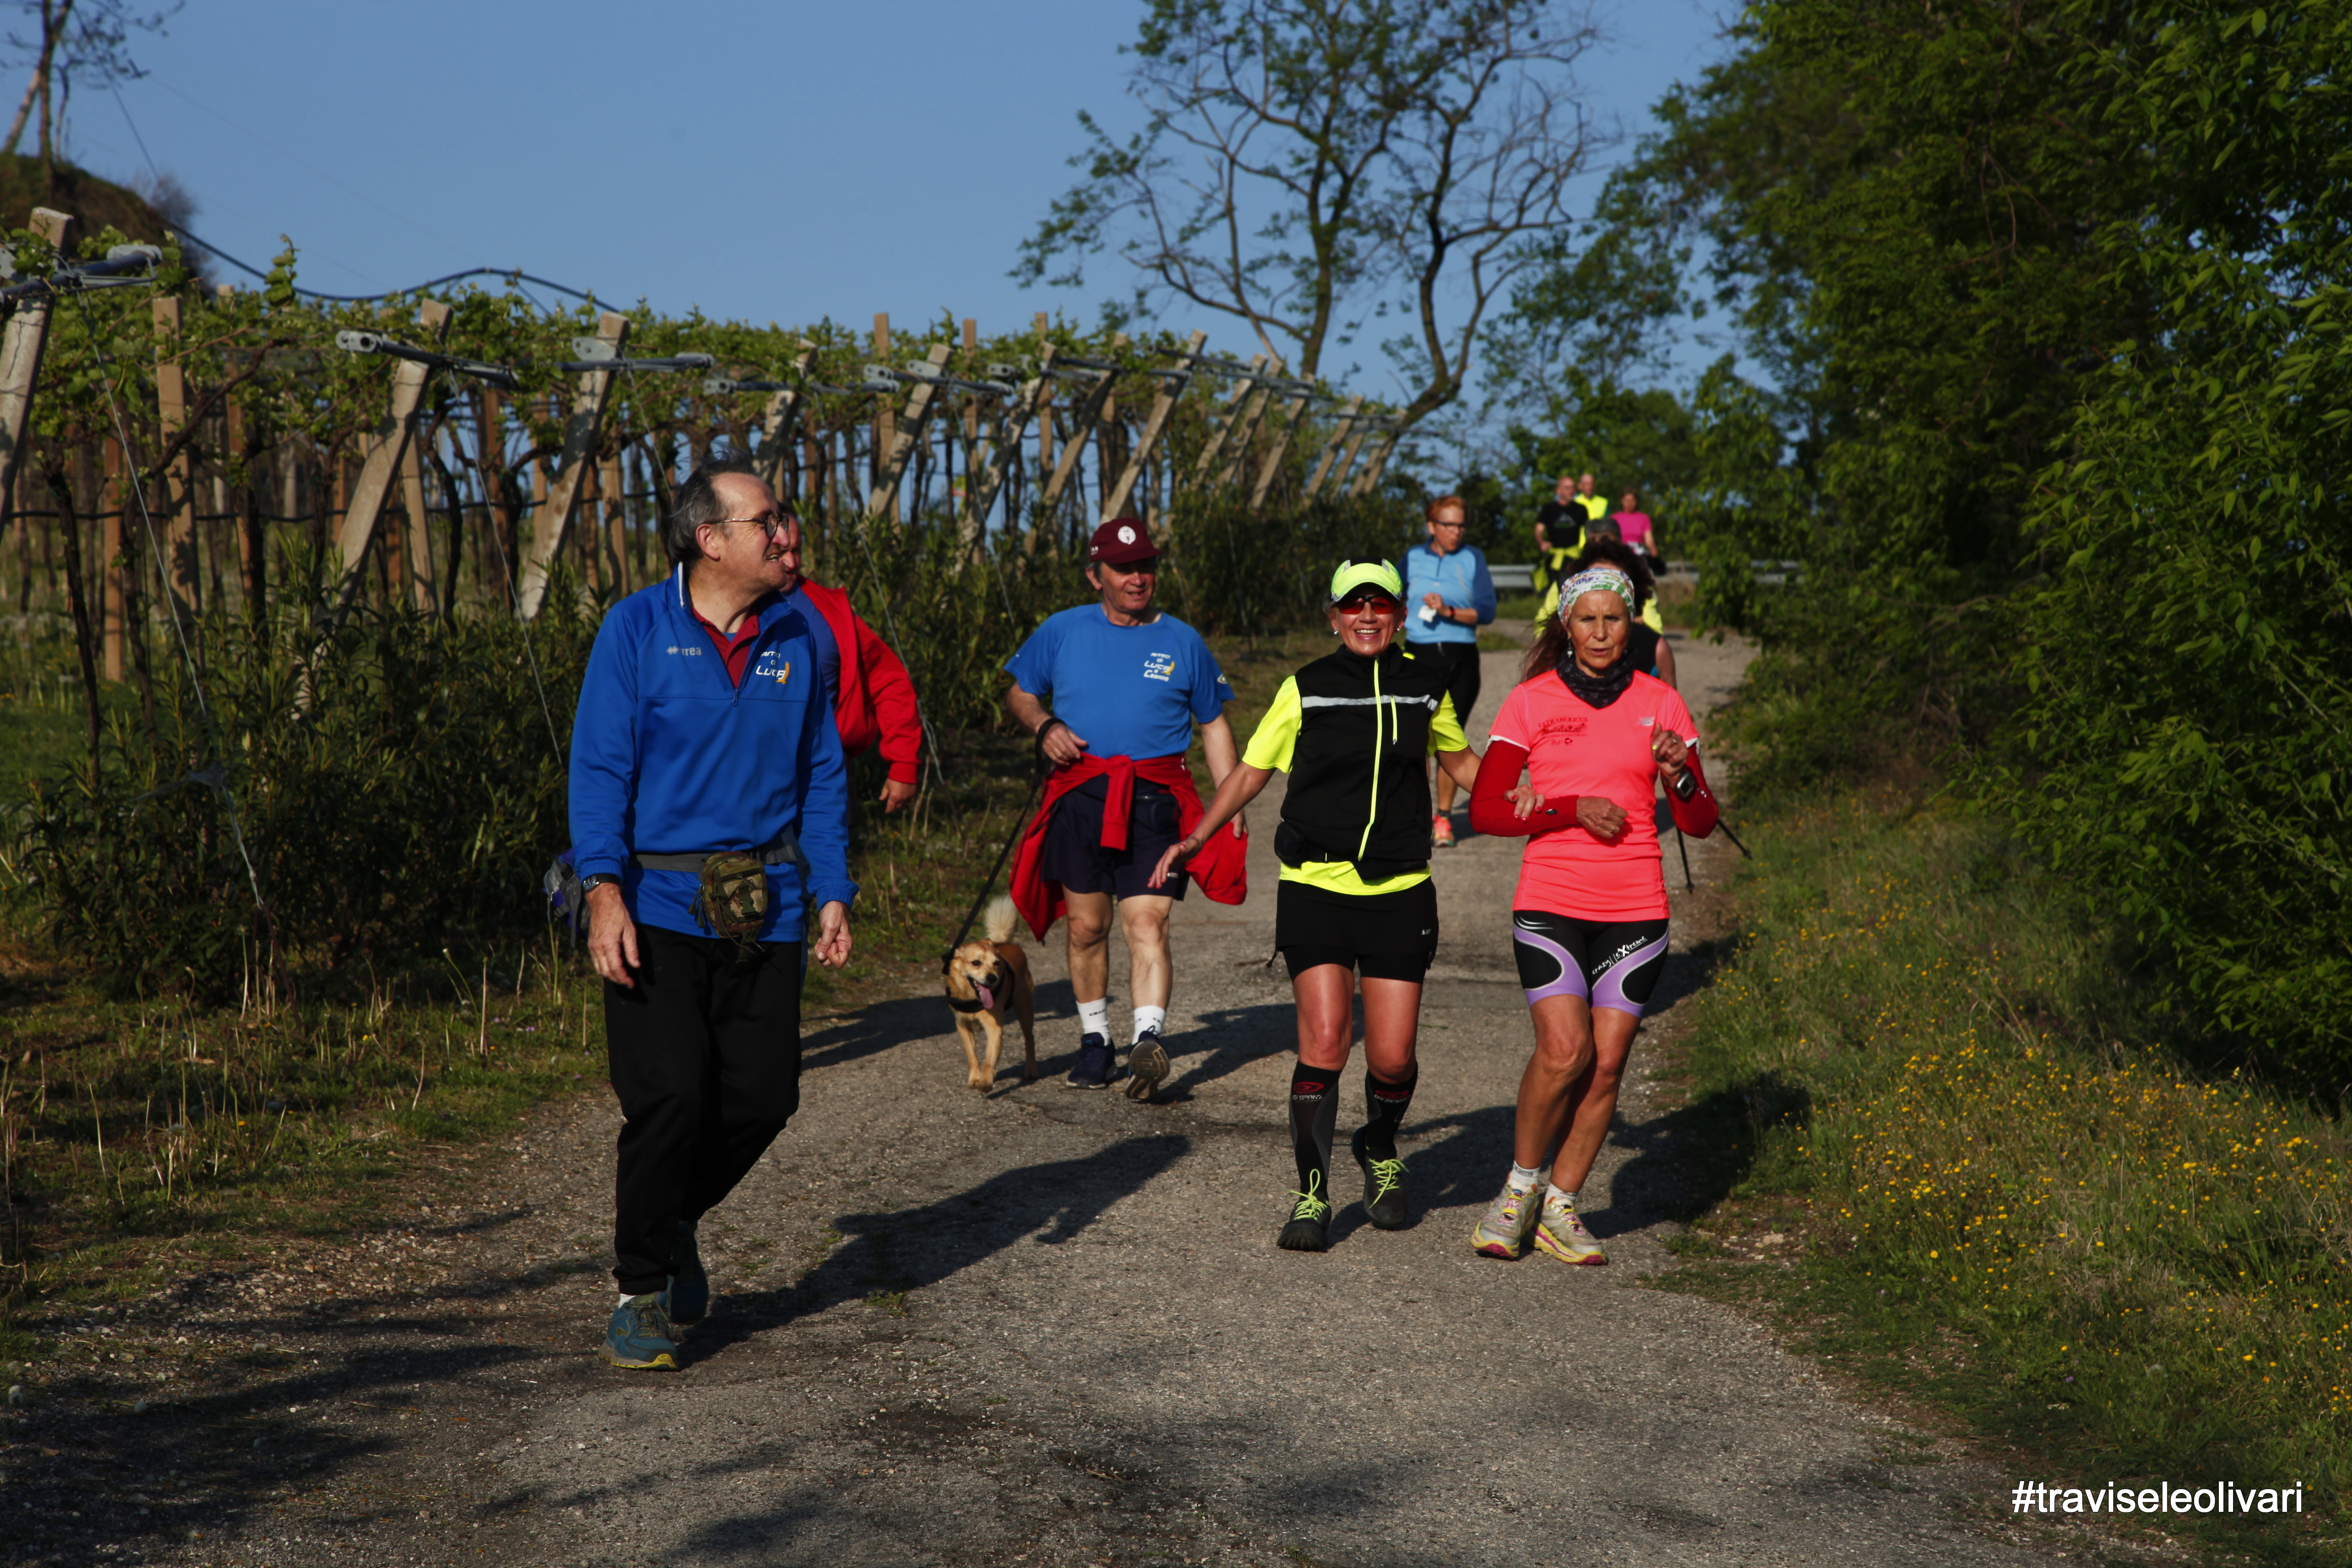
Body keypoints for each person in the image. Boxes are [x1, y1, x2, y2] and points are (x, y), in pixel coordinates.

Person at [570, 457, 858, 1370]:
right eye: (767, 520)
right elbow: (600, 767)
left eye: (782, 518)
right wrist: (603, 890)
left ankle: (674, 1215)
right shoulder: (634, 629)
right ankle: (641, 1289)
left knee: (765, 1096)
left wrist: (832, 888)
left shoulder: (801, 633)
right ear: (711, 540)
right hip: (654, 902)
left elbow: (822, 774)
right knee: (670, 1097)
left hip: (765, 906)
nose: (785, 533)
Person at [1150, 560, 1519, 1251]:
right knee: (1324, 1041)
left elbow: (1463, 764)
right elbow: (1253, 770)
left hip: (1400, 889)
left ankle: (1378, 1144)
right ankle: (1312, 1193)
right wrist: (1197, 835)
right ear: (1334, 617)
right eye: (1354, 605)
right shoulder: (1305, 687)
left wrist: (1539, 797)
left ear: (1399, 615)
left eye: (1380, 604)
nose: (1367, 616)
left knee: (1393, 1059)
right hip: (1316, 885)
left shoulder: (1424, 685)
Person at [1464, 565, 1719, 1268]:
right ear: (1566, 626)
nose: (1601, 633)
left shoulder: (1662, 702)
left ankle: (1561, 1207)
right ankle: (1517, 1191)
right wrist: (1569, 808)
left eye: (1614, 619)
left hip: (1636, 908)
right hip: (1552, 899)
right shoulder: (1532, 700)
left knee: (1606, 1067)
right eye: (1587, 619)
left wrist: (1680, 771)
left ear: (1632, 624)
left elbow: (1700, 822)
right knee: (1564, 1050)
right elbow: (1486, 809)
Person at [1005, 518, 1247, 1101]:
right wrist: (1044, 726)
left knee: (1147, 923)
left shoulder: (1183, 640)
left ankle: (1147, 1043)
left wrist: (1230, 797)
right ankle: (1096, 1042)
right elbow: (1020, 692)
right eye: (1123, 569)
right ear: (1097, 576)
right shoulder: (1062, 630)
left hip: (1154, 803)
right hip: (1080, 797)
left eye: (1146, 567)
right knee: (1087, 927)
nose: (1138, 578)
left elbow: (1213, 723)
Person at [777, 548, 924, 813]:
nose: (791, 562)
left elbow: (887, 680)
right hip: (749, 778)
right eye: (779, 551)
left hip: (826, 774)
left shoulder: (831, 609)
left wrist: (904, 762)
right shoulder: (721, 609)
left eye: (796, 550)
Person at [1399, 494, 1496, 848]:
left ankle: (1442, 818)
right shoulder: (1412, 558)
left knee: (1449, 739)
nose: (1456, 532)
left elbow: (1487, 611)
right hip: (1419, 656)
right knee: (1414, 739)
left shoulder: (1472, 558)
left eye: (1461, 525)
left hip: (1461, 658)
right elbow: (1392, 600)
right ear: (1432, 526)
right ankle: (1416, 816)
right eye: (1449, 525)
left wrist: (1449, 612)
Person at [1537, 537, 1676, 689]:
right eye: (1594, 581)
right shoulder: (1549, 650)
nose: (1600, 634)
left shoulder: (1656, 648)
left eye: (1614, 584)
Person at [1610, 488, 1663, 573]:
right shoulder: (1614, 519)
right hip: (1620, 556)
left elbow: (1649, 540)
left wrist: (1654, 555)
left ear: (1636, 501)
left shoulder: (1644, 519)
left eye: (1632, 500)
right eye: (1627, 501)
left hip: (1639, 556)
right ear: (1622, 501)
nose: (1629, 503)